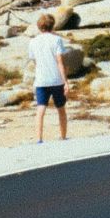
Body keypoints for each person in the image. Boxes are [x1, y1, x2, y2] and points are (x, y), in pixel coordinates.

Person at [30, 13, 71, 143]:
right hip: (56, 79)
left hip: (41, 80)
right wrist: (66, 82)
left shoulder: (33, 42)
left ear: (39, 26)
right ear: (52, 25)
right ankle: (63, 136)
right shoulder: (57, 40)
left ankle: (39, 138)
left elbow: (35, 61)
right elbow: (60, 62)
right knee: (61, 108)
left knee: (40, 109)